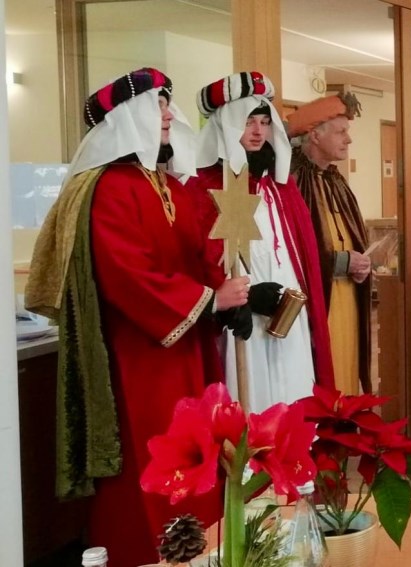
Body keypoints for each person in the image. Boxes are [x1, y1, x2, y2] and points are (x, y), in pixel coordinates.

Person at [24, 68, 248, 567]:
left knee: (197, 450)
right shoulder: (109, 188)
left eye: (168, 104)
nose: (169, 114)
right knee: (153, 455)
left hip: (186, 347)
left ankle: (205, 551)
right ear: (127, 119)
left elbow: (198, 254)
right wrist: (210, 300)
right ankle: (145, 555)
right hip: (140, 357)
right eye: (158, 106)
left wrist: (230, 294)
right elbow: (127, 274)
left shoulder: (168, 185)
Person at [186, 71, 335, 411]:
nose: (258, 131)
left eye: (265, 122)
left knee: (293, 385)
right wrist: (244, 297)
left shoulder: (278, 183)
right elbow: (198, 257)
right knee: (251, 395)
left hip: (287, 308)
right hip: (243, 313)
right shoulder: (205, 186)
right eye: (248, 122)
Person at [287, 92, 371, 395]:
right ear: (315, 135)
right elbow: (291, 249)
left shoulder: (335, 180)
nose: (348, 139)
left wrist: (361, 265)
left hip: (347, 294)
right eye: (341, 132)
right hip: (317, 301)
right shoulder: (292, 181)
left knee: (346, 367)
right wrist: (341, 261)